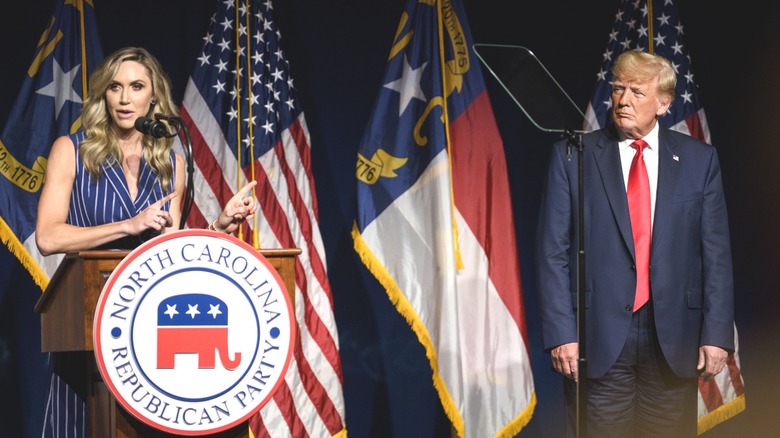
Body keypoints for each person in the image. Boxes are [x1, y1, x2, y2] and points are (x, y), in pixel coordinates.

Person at [34, 46, 257, 435]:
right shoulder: (72, 150)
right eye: (115, 87)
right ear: (103, 93)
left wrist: (220, 227)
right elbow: (49, 236)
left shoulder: (172, 161)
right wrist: (128, 225)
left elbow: (172, 255)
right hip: (89, 321)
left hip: (148, 335)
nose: (124, 98)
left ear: (153, 95)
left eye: (136, 87)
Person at [535, 49, 734, 437]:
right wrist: (561, 332)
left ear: (664, 103)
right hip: (598, 337)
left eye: (637, 92)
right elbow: (552, 253)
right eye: (618, 89)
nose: (623, 100)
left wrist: (716, 334)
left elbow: (716, 254)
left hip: (674, 337)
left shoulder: (699, 161)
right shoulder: (573, 157)